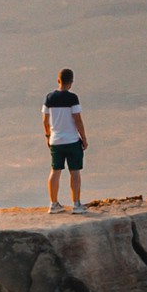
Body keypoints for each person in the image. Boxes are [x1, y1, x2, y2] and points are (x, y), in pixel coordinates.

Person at [43, 66, 87, 211]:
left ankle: (53, 204)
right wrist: (84, 138)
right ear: (71, 82)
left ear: (58, 80)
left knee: (55, 171)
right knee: (74, 172)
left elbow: (45, 120)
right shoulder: (72, 98)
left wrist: (48, 136)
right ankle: (76, 204)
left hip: (55, 140)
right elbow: (78, 120)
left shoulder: (49, 98)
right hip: (72, 140)